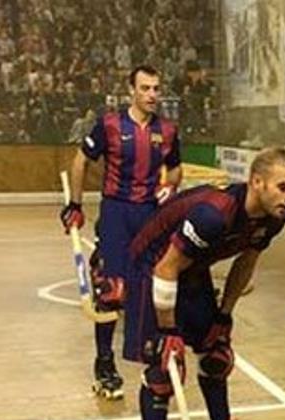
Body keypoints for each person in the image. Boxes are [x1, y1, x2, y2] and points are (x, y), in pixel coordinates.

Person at [127, 147, 285, 420]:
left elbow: (246, 263)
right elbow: (166, 267)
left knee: (217, 352)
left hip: (192, 270)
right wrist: (168, 332)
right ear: (257, 182)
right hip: (153, 268)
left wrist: (224, 315)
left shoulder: (271, 218)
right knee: (165, 367)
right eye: (283, 187)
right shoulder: (213, 215)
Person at [60, 65, 182, 400]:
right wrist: (75, 204)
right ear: (132, 90)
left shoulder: (167, 131)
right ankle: (104, 363)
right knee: (111, 290)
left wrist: (170, 186)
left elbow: (175, 168)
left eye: (156, 88)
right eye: (145, 88)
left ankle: (150, 355)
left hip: (149, 214)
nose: (152, 95)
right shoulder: (110, 125)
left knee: (147, 289)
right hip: (115, 212)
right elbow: (80, 160)